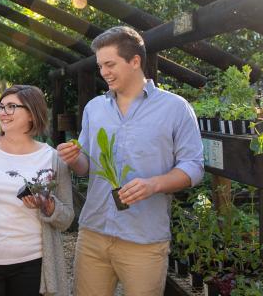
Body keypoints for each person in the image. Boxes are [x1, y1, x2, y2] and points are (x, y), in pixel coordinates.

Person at [57, 26, 204, 295]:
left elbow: (193, 167)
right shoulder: (95, 108)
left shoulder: (175, 108)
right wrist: (74, 158)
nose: (103, 72)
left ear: (135, 61)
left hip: (144, 239)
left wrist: (153, 185)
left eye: (110, 64)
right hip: (94, 232)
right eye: (101, 65)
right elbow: (87, 165)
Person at [0, 85, 73, 296]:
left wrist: (48, 205)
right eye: (1, 107)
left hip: (31, 265)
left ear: (31, 113)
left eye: (11, 107)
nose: (2, 112)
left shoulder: (53, 158)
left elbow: (67, 219)